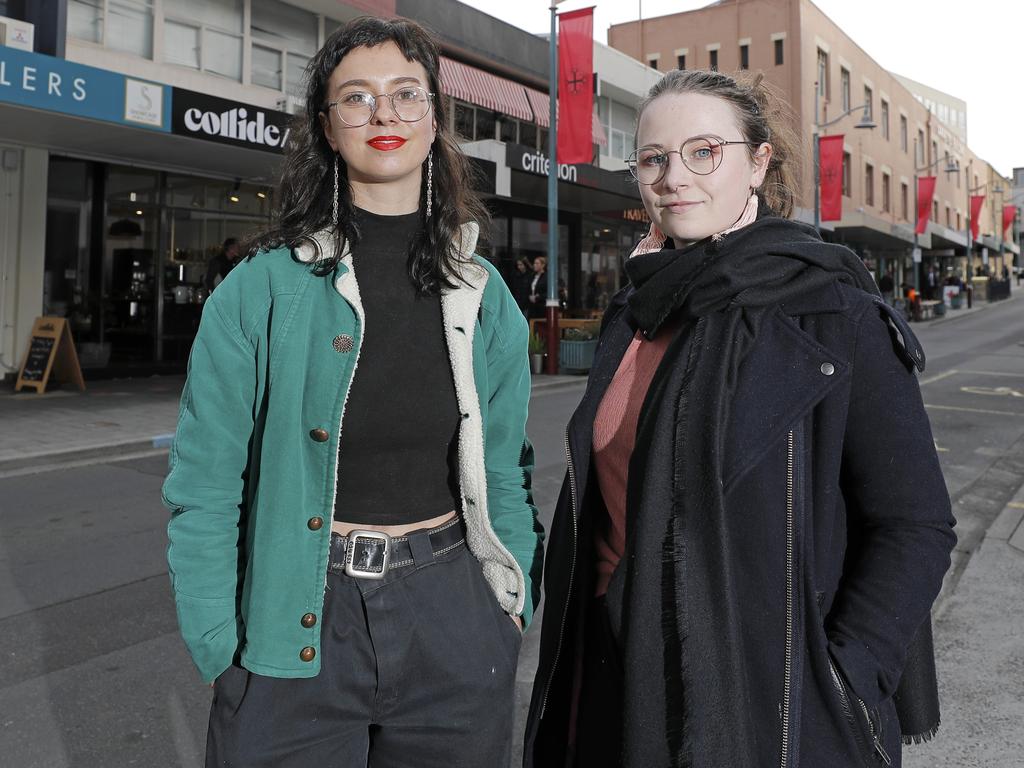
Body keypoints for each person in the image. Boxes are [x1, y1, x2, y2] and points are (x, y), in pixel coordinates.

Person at [524, 69, 956, 768]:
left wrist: (842, 679)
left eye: (704, 152)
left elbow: (914, 525)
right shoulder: (633, 314)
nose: (675, 177)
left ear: (757, 163)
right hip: (615, 676)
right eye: (654, 158)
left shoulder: (829, 311)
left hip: (765, 705)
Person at [163, 16, 543, 768]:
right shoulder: (257, 291)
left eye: (406, 95)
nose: (384, 116)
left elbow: (506, 468)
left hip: (455, 617)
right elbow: (204, 483)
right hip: (292, 622)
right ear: (328, 128)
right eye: (356, 98)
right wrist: (219, 641)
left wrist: (509, 603)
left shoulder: (483, 293)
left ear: (435, 120)